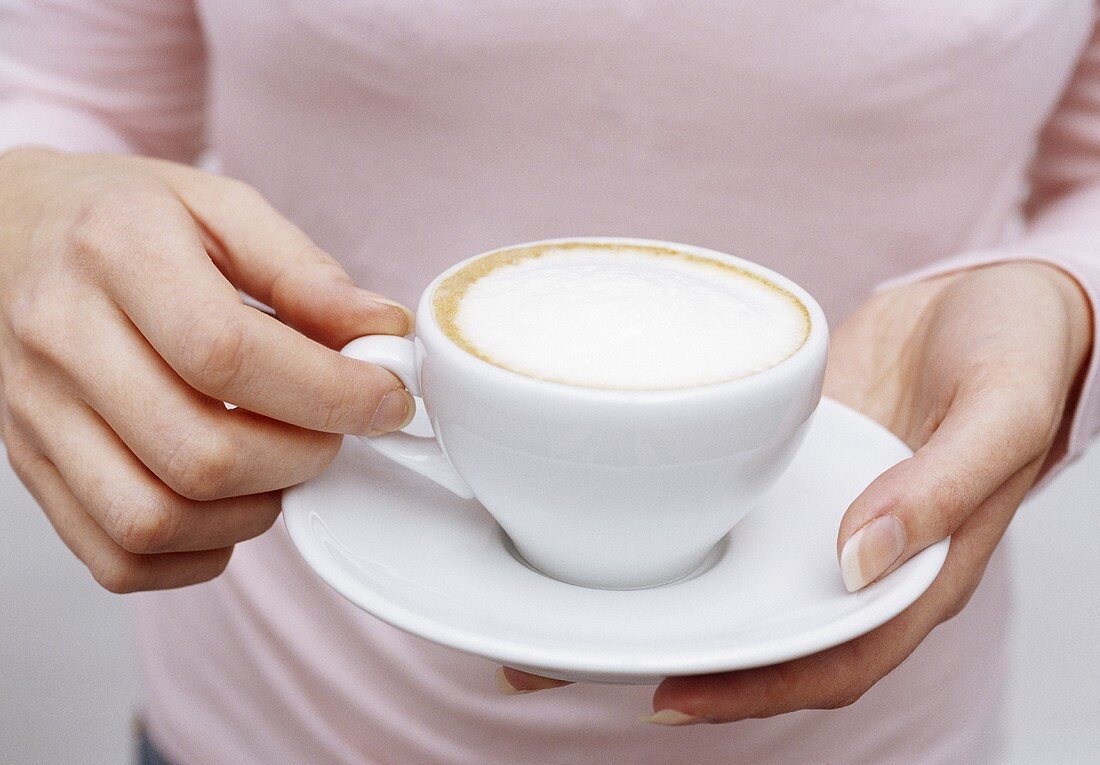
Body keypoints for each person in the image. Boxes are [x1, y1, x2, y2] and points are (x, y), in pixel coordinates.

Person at [1, 2, 1097, 763]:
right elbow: (57, 93)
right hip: (275, 714)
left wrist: (1066, 300)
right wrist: (32, 213)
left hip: (886, 736)